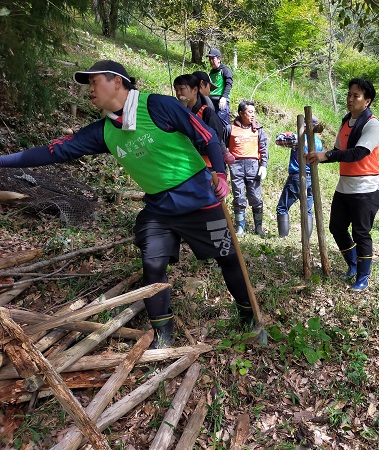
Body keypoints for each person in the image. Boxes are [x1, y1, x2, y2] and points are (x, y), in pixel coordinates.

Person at [0, 60, 255, 349]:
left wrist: (220, 173)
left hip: (201, 200)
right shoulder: (103, 132)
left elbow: (207, 137)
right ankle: (163, 332)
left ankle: (248, 313)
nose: (90, 90)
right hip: (159, 208)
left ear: (117, 82)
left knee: (227, 257)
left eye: (95, 83)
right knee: (152, 264)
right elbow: (53, 152)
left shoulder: (158, 105)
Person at [306, 78, 379, 291]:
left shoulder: (372, 124)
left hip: (365, 187)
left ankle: (363, 276)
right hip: (345, 186)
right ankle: (352, 264)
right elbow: (339, 152)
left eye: (356, 95)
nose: (350, 99)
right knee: (337, 227)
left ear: (367, 101)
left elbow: (358, 153)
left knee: (361, 232)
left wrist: (327, 155)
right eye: (349, 94)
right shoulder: (346, 122)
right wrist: (316, 156)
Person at [274, 116, 324, 238]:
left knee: (282, 207)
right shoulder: (318, 142)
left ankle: (283, 237)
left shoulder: (299, 139)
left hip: (297, 176)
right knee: (307, 210)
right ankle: (306, 239)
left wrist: (288, 133)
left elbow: (278, 139)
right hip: (312, 178)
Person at [226, 100, 268, 237]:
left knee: (255, 196)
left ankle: (259, 227)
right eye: (250, 112)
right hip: (236, 166)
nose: (253, 115)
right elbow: (222, 144)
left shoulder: (258, 129)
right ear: (241, 113)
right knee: (238, 196)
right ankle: (240, 228)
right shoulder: (230, 128)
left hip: (253, 166)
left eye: (254, 112)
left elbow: (264, 148)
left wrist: (263, 165)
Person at [173, 73, 233, 167]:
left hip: (206, 165)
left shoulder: (206, 111)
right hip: (186, 164)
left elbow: (215, 137)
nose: (178, 93)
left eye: (181, 89)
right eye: (176, 90)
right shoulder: (177, 111)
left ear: (195, 90)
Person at [207, 48, 234, 132]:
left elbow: (229, 84)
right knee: (212, 123)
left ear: (219, 59)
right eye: (209, 59)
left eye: (213, 58)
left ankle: (226, 143)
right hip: (211, 102)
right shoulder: (211, 72)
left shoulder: (225, 70)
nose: (211, 61)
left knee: (223, 125)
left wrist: (224, 97)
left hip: (221, 101)